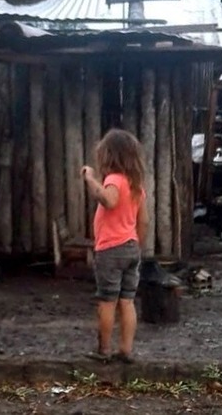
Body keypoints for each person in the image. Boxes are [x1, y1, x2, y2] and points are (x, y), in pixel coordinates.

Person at [81, 128, 149, 363]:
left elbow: (109, 200)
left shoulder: (114, 180)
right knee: (127, 301)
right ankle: (126, 350)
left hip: (110, 249)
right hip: (131, 247)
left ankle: (104, 350)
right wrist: (137, 245)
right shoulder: (136, 185)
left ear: (109, 156)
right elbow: (144, 221)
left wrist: (90, 179)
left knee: (107, 301)